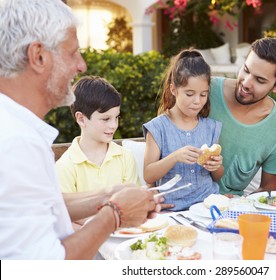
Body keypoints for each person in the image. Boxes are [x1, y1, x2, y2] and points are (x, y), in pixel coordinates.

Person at [0, 0, 159, 259]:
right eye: (73, 52)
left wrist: (107, 194)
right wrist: (115, 214)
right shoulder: (15, 143)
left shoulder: (13, 126)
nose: (82, 65)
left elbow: (42, 207)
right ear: (38, 56)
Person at [209, 37, 276, 196]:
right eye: (246, 70)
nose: (246, 83)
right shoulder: (206, 91)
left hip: (229, 212)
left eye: (260, 80)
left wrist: (239, 204)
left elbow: (268, 190)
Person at [143, 49, 224, 211]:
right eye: (189, 94)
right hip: (173, 208)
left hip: (207, 206)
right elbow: (148, 175)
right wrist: (174, 157)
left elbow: (217, 176)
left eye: (203, 95)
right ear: (174, 90)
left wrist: (217, 166)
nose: (197, 101)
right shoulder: (158, 127)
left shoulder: (211, 127)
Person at [56, 76, 141, 196]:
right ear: (81, 119)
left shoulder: (125, 157)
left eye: (116, 117)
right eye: (106, 119)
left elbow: (134, 201)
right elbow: (68, 211)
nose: (113, 125)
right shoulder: (65, 166)